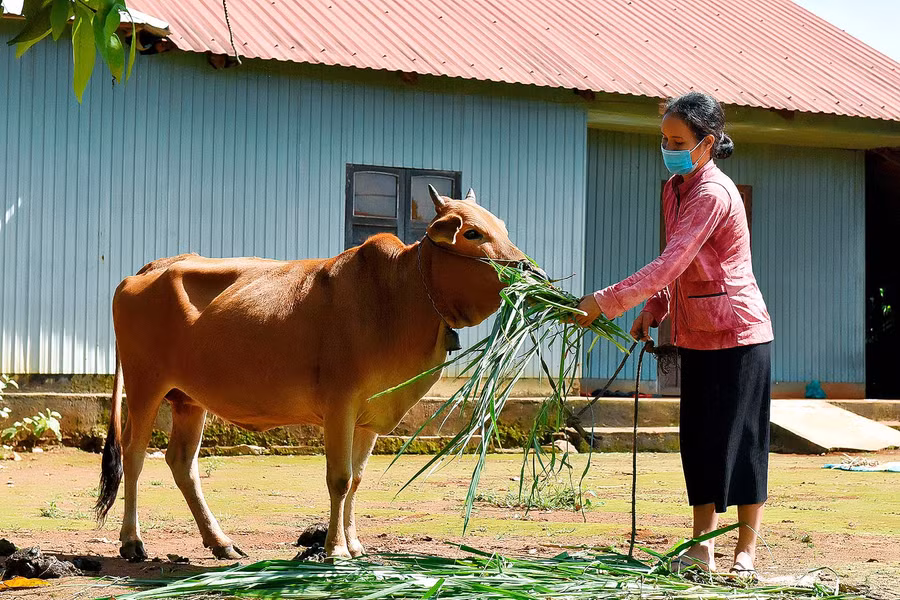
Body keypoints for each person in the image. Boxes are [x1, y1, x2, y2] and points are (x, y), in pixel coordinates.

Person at [575, 92, 774, 578]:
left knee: (745, 443)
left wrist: (604, 301)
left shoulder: (713, 193)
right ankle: (701, 545)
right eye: (663, 139)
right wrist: (655, 308)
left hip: (739, 332)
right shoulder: (674, 188)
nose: (668, 147)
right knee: (700, 442)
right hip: (696, 334)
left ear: (707, 144)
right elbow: (679, 268)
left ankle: (745, 551)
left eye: (678, 140)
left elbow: (671, 262)